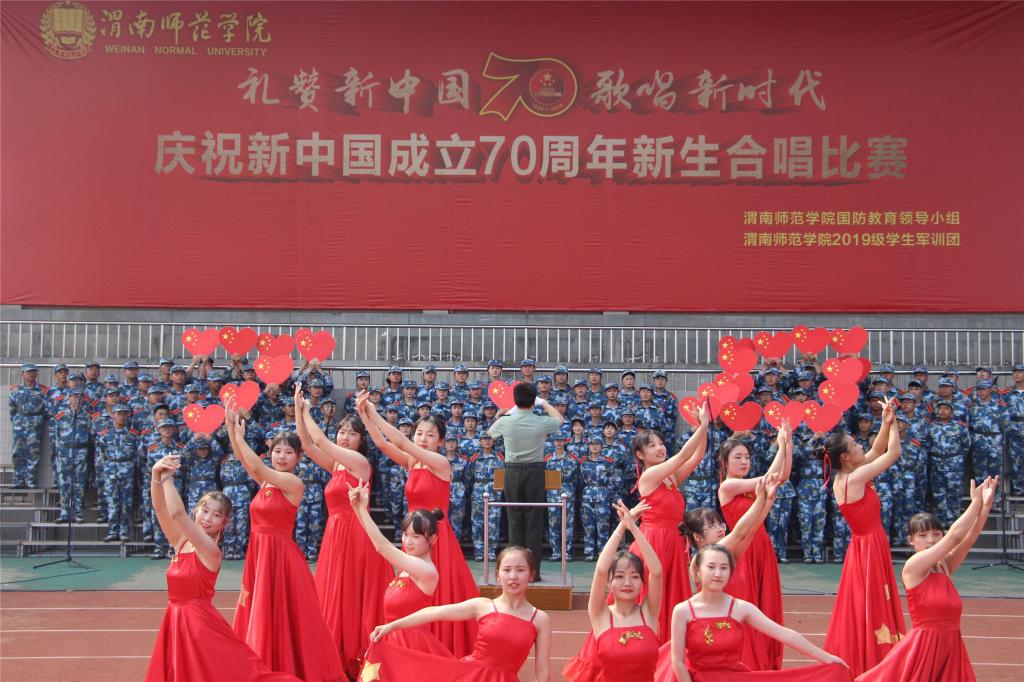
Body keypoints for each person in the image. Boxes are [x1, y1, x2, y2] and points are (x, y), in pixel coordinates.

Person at [145, 454, 298, 682]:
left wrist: (167, 478)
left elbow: (177, 513)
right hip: (175, 620)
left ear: (223, 524)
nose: (207, 518)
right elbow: (160, 508)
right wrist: (155, 475)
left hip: (199, 627)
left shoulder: (211, 551)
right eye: (205, 510)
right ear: (197, 510)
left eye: (216, 515)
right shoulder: (181, 542)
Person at [223, 405, 343, 681]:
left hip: (279, 556)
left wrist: (240, 437)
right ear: (270, 453)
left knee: (281, 615)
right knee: (261, 611)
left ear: (299, 458)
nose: (282, 456)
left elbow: (255, 465)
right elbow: (244, 460)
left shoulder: (292, 483)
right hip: (260, 554)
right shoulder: (266, 482)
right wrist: (231, 427)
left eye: (289, 452)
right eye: (277, 451)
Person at [358, 392, 480, 658]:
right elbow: (381, 443)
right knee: (411, 597)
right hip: (414, 535)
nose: (422, 439)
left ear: (441, 441)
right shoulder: (413, 462)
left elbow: (401, 441)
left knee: (439, 597)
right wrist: (364, 415)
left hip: (435, 539)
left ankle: (441, 651)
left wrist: (374, 412)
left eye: (430, 435)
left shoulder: (441, 463)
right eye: (420, 433)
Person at [857, 477, 997, 682]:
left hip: (950, 648)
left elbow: (969, 538)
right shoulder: (913, 567)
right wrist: (975, 502)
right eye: (922, 535)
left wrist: (986, 505)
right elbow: (955, 537)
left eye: (936, 533)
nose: (931, 540)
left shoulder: (943, 566)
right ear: (911, 541)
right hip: (924, 650)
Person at [292, 386, 389, 678]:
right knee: (335, 594)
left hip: (357, 535)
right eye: (342, 432)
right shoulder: (336, 464)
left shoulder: (360, 463)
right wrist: (298, 410)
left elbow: (320, 439)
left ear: (361, 440)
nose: (345, 437)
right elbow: (308, 445)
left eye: (352, 433)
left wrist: (308, 411)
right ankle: (334, 653)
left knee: (352, 596)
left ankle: (357, 656)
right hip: (336, 534)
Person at [362, 546, 552, 682]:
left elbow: (542, 672)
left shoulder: (540, 619)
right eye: (507, 570)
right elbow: (434, 612)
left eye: (520, 570)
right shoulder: (483, 606)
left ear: (531, 575)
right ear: (497, 575)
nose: (513, 576)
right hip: (468, 676)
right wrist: (391, 626)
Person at [664, 544, 851, 682]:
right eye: (711, 567)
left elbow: (784, 634)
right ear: (698, 571)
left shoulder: (740, 608)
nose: (718, 574)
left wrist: (826, 658)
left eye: (724, 568)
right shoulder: (683, 611)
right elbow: (677, 662)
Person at [821, 397, 906, 678]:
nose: (860, 446)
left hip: (867, 545)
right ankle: (874, 658)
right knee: (873, 603)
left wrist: (886, 421)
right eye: (855, 444)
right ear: (845, 457)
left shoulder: (849, 474)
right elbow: (892, 453)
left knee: (869, 602)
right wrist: (894, 424)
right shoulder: (853, 479)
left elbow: (877, 449)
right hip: (868, 546)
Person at [628, 402, 710, 641]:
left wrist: (702, 427)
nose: (660, 448)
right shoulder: (650, 475)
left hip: (672, 540)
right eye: (652, 445)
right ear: (640, 455)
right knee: (654, 595)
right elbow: (683, 455)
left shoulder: (669, 476)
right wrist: (703, 425)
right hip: (653, 542)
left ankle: (668, 644)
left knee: (670, 596)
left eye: (661, 443)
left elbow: (697, 455)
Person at [716, 421, 793, 670]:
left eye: (747, 457)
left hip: (762, 547)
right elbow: (771, 477)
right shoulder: (728, 486)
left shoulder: (751, 486)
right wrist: (780, 446)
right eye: (737, 457)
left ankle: (764, 660)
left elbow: (781, 476)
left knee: (765, 604)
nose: (743, 462)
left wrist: (787, 443)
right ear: (724, 462)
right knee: (746, 603)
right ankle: (745, 660)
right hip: (743, 550)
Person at [347, 480, 452, 657]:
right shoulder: (407, 566)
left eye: (416, 536)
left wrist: (363, 510)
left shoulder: (426, 571)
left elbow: (382, 547)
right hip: (391, 640)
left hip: (412, 646)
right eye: (405, 534)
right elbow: (377, 542)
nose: (407, 541)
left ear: (432, 539)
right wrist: (357, 507)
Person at [564, 500, 662, 682]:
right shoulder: (600, 614)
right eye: (619, 576)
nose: (627, 583)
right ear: (608, 582)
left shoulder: (648, 613)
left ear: (642, 582)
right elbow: (601, 569)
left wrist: (634, 529)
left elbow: (656, 572)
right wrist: (622, 527)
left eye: (635, 576)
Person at [488, 382, 564, 579]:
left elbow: (491, 433)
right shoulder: (541, 421)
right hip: (535, 471)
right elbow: (559, 419)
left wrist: (505, 412)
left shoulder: (506, 421)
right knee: (534, 521)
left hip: (512, 472)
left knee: (514, 519)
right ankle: (532, 572)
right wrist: (544, 403)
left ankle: (514, 570)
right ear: (533, 401)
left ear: (515, 400)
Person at [8, 363, 49, 488]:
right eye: (29, 371)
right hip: (19, 426)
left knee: (33, 453)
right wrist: (17, 421)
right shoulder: (15, 391)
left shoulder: (42, 391)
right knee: (18, 453)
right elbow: (12, 409)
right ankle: (18, 480)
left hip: (35, 426)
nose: (32, 374)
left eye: (34, 371)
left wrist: (39, 420)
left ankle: (31, 481)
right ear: (22, 374)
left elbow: (46, 409)